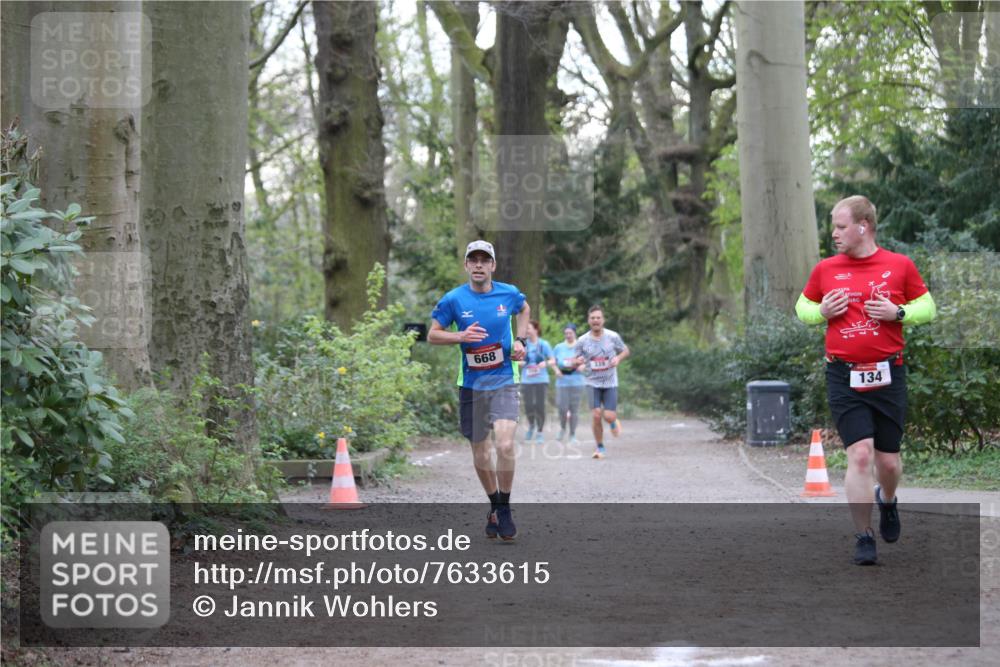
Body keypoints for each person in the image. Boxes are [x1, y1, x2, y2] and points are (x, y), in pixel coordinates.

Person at [796, 195, 936, 565]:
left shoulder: (899, 265)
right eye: (834, 227)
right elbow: (803, 307)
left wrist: (899, 311)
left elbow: (928, 307)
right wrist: (821, 311)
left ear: (864, 226)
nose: (835, 234)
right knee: (859, 455)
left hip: (889, 374)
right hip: (843, 375)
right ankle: (863, 535)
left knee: (888, 463)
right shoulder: (826, 269)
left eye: (841, 227)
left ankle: (887, 501)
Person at [429, 240, 530, 541]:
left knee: (505, 445)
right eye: (472, 260)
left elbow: (524, 309)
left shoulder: (508, 294)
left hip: (503, 380)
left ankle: (505, 507)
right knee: (480, 451)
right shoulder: (453, 300)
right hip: (472, 385)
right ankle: (494, 504)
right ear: (466, 265)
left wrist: (522, 340)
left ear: (492, 266)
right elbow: (433, 334)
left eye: (484, 260)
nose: (478, 265)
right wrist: (461, 335)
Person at [571, 305, 629, 459]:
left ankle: (612, 421)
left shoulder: (612, 336)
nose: (595, 320)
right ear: (588, 320)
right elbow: (574, 360)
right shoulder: (582, 340)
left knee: (608, 416)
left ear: (603, 320)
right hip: (592, 382)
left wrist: (618, 358)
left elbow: (625, 350)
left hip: (610, 382)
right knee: (596, 415)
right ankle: (600, 447)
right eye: (592, 318)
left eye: (598, 317)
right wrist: (578, 361)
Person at [519, 320, 555, 444]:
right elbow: (517, 361)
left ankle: (539, 431)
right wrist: (521, 363)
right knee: (528, 406)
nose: (527, 331)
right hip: (527, 380)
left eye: (528, 328)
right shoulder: (523, 345)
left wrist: (545, 363)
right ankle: (531, 426)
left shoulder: (544, 344)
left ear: (535, 329)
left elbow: (553, 360)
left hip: (541, 380)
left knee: (539, 405)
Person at [553, 323, 585, 444]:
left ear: (574, 333)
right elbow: (553, 361)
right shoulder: (559, 347)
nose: (568, 335)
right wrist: (556, 370)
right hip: (562, 383)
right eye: (566, 333)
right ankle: (562, 428)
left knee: (574, 409)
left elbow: (588, 359)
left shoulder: (581, 347)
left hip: (577, 382)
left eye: (570, 333)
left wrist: (583, 366)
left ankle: (572, 434)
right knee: (562, 408)